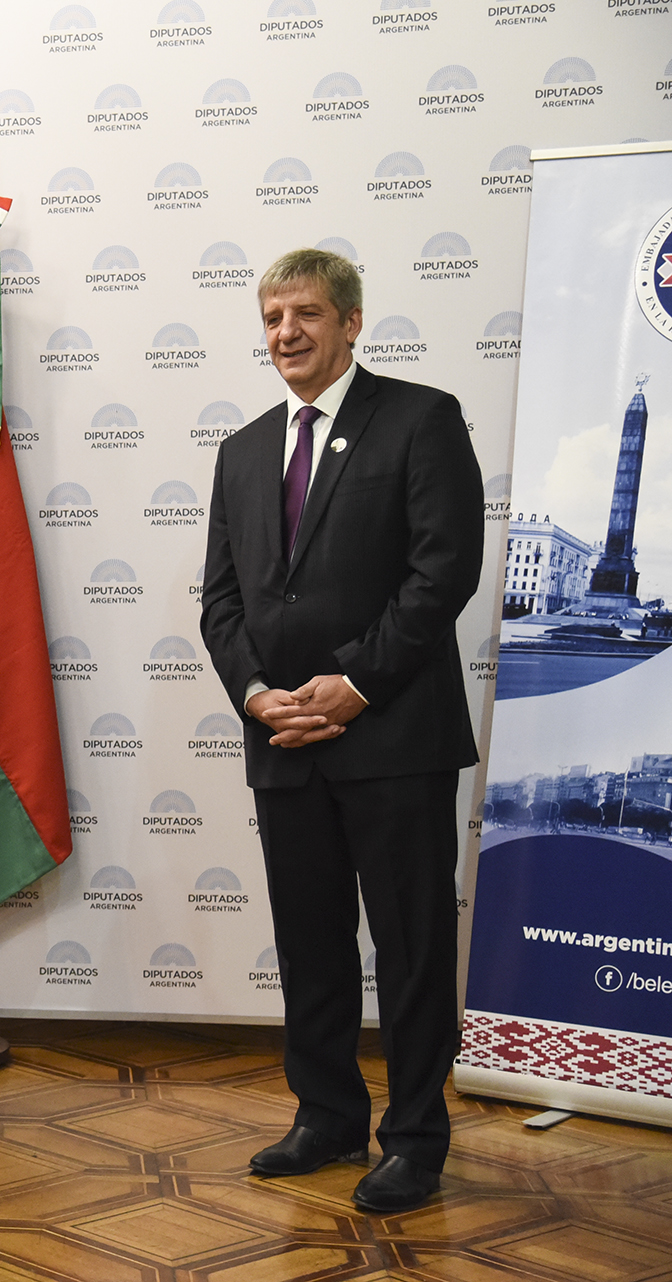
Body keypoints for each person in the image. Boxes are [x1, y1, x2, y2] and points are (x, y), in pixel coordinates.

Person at [200, 248, 484, 1213]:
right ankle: (324, 1116)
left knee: (408, 949)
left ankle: (414, 1139)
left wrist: (355, 684)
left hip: (392, 739)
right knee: (309, 942)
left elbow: (443, 572)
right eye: (273, 315)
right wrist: (255, 694)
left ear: (352, 322)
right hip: (282, 740)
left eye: (307, 314)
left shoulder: (421, 418)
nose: (287, 332)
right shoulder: (242, 450)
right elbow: (223, 603)